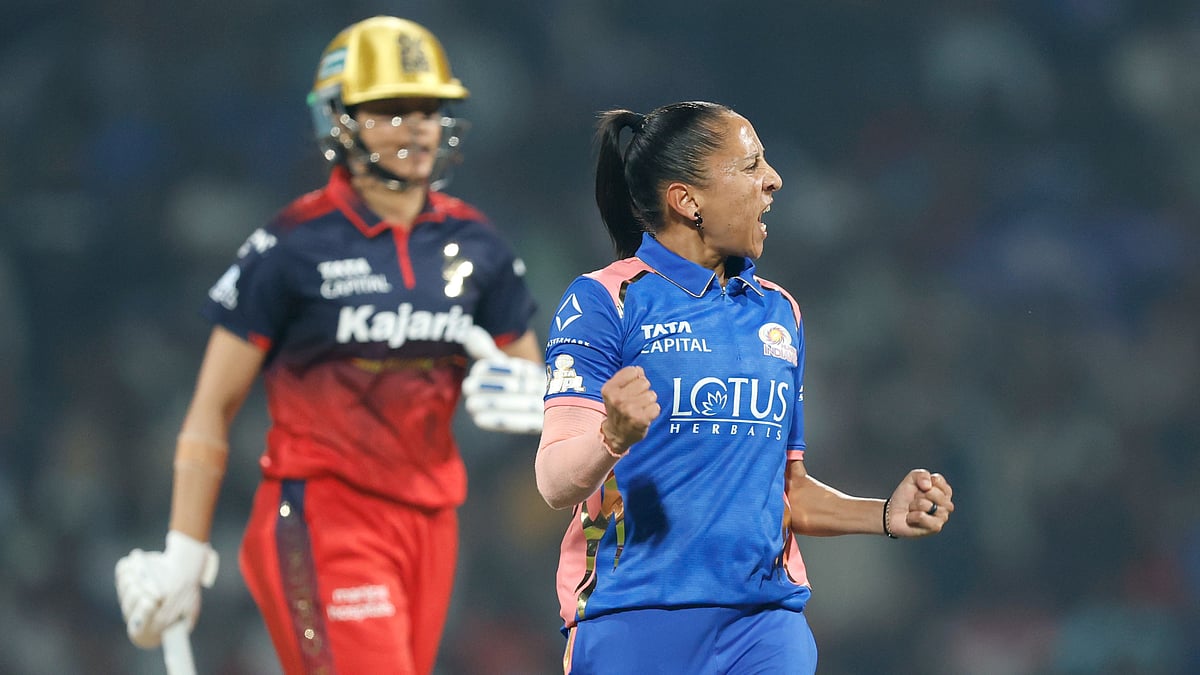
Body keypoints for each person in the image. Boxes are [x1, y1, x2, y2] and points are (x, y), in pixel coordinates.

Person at [113, 15, 546, 675]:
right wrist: (184, 547)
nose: (417, 127)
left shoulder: (478, 244)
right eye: (392, 110)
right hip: (321, 516)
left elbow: (531, 373)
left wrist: (531, 395)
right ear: (340, 121)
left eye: (427, 107)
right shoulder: (291, 247)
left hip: (432, 521)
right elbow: (212, 405)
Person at [534, 100, 956, 674]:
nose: (774, 180)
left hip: (764, 621)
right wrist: (612, 435)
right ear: (687, 201)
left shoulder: (779, 313)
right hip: (633, 616)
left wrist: (883, 514)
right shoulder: (604, 301)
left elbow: (786, 491)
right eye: (751, 165)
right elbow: (555, 481)